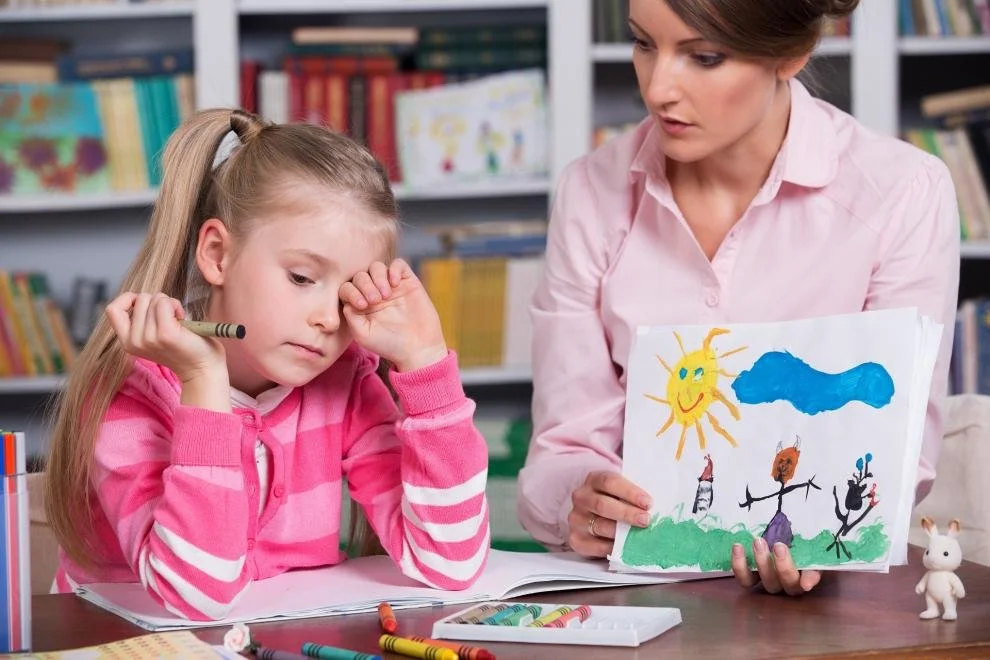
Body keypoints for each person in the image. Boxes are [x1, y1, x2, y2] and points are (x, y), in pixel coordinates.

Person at [517, 0, 960, 597]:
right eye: (644, 44)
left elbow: (899, 455)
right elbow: (560, 451)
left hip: (830, 607)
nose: (659, 88)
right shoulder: (590, 191)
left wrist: (816, 539)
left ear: (791, 55)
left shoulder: (902, 192)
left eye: (704, 57)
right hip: (636, 596)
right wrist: (580, 497)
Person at [44, 109, 491, 620]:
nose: (328, 318)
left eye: (350, 294)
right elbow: (196, 595)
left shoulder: (344, 381)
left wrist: (425, 362)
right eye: (302, 278)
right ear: (217, 254)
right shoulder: (129, 392)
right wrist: (204, 384)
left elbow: (452, 563)